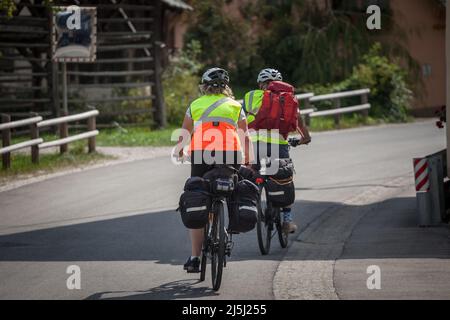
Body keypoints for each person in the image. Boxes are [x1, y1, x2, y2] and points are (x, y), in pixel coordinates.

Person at [175, 67, 253, 273]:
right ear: (226, 87)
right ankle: (227, 227)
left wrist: (180, 151)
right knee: (231, 191)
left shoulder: (195, 105)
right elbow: (245, 136)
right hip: (232, 154)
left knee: (198, 196)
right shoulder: (236, 106)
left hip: (202, 154)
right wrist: (248, 160)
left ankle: (194, 257)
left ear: (204, 86)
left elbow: (184, 132)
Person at [242, 68, 311, 234]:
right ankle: (287, 221)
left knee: (253, 173)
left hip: (254, 146)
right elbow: (298, 119)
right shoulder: (287, 98)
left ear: (260, 84)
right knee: (285, 179)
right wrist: (305, 138)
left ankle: (252, 204)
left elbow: (241, 119)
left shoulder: (250, 96)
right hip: (278, 146)